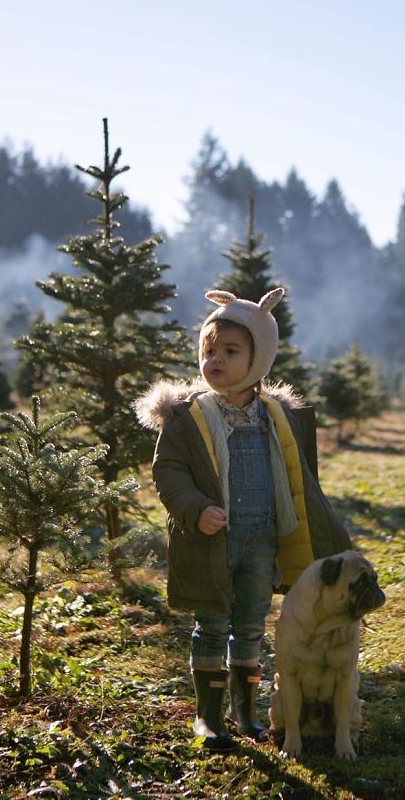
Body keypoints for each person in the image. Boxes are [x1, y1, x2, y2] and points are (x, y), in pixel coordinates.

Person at [135, 288, 352, 751]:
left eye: (230, 352)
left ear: (259, 359)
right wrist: (196, 509)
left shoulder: (277, 418)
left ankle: (246, 711)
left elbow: (300, 481)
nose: (215, 360)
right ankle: (208, 717)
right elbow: (168, 473)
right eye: (208, 350)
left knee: (252, 622)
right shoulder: (189, 417)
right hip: (211, 541)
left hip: (262, 541)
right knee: (212, 622)